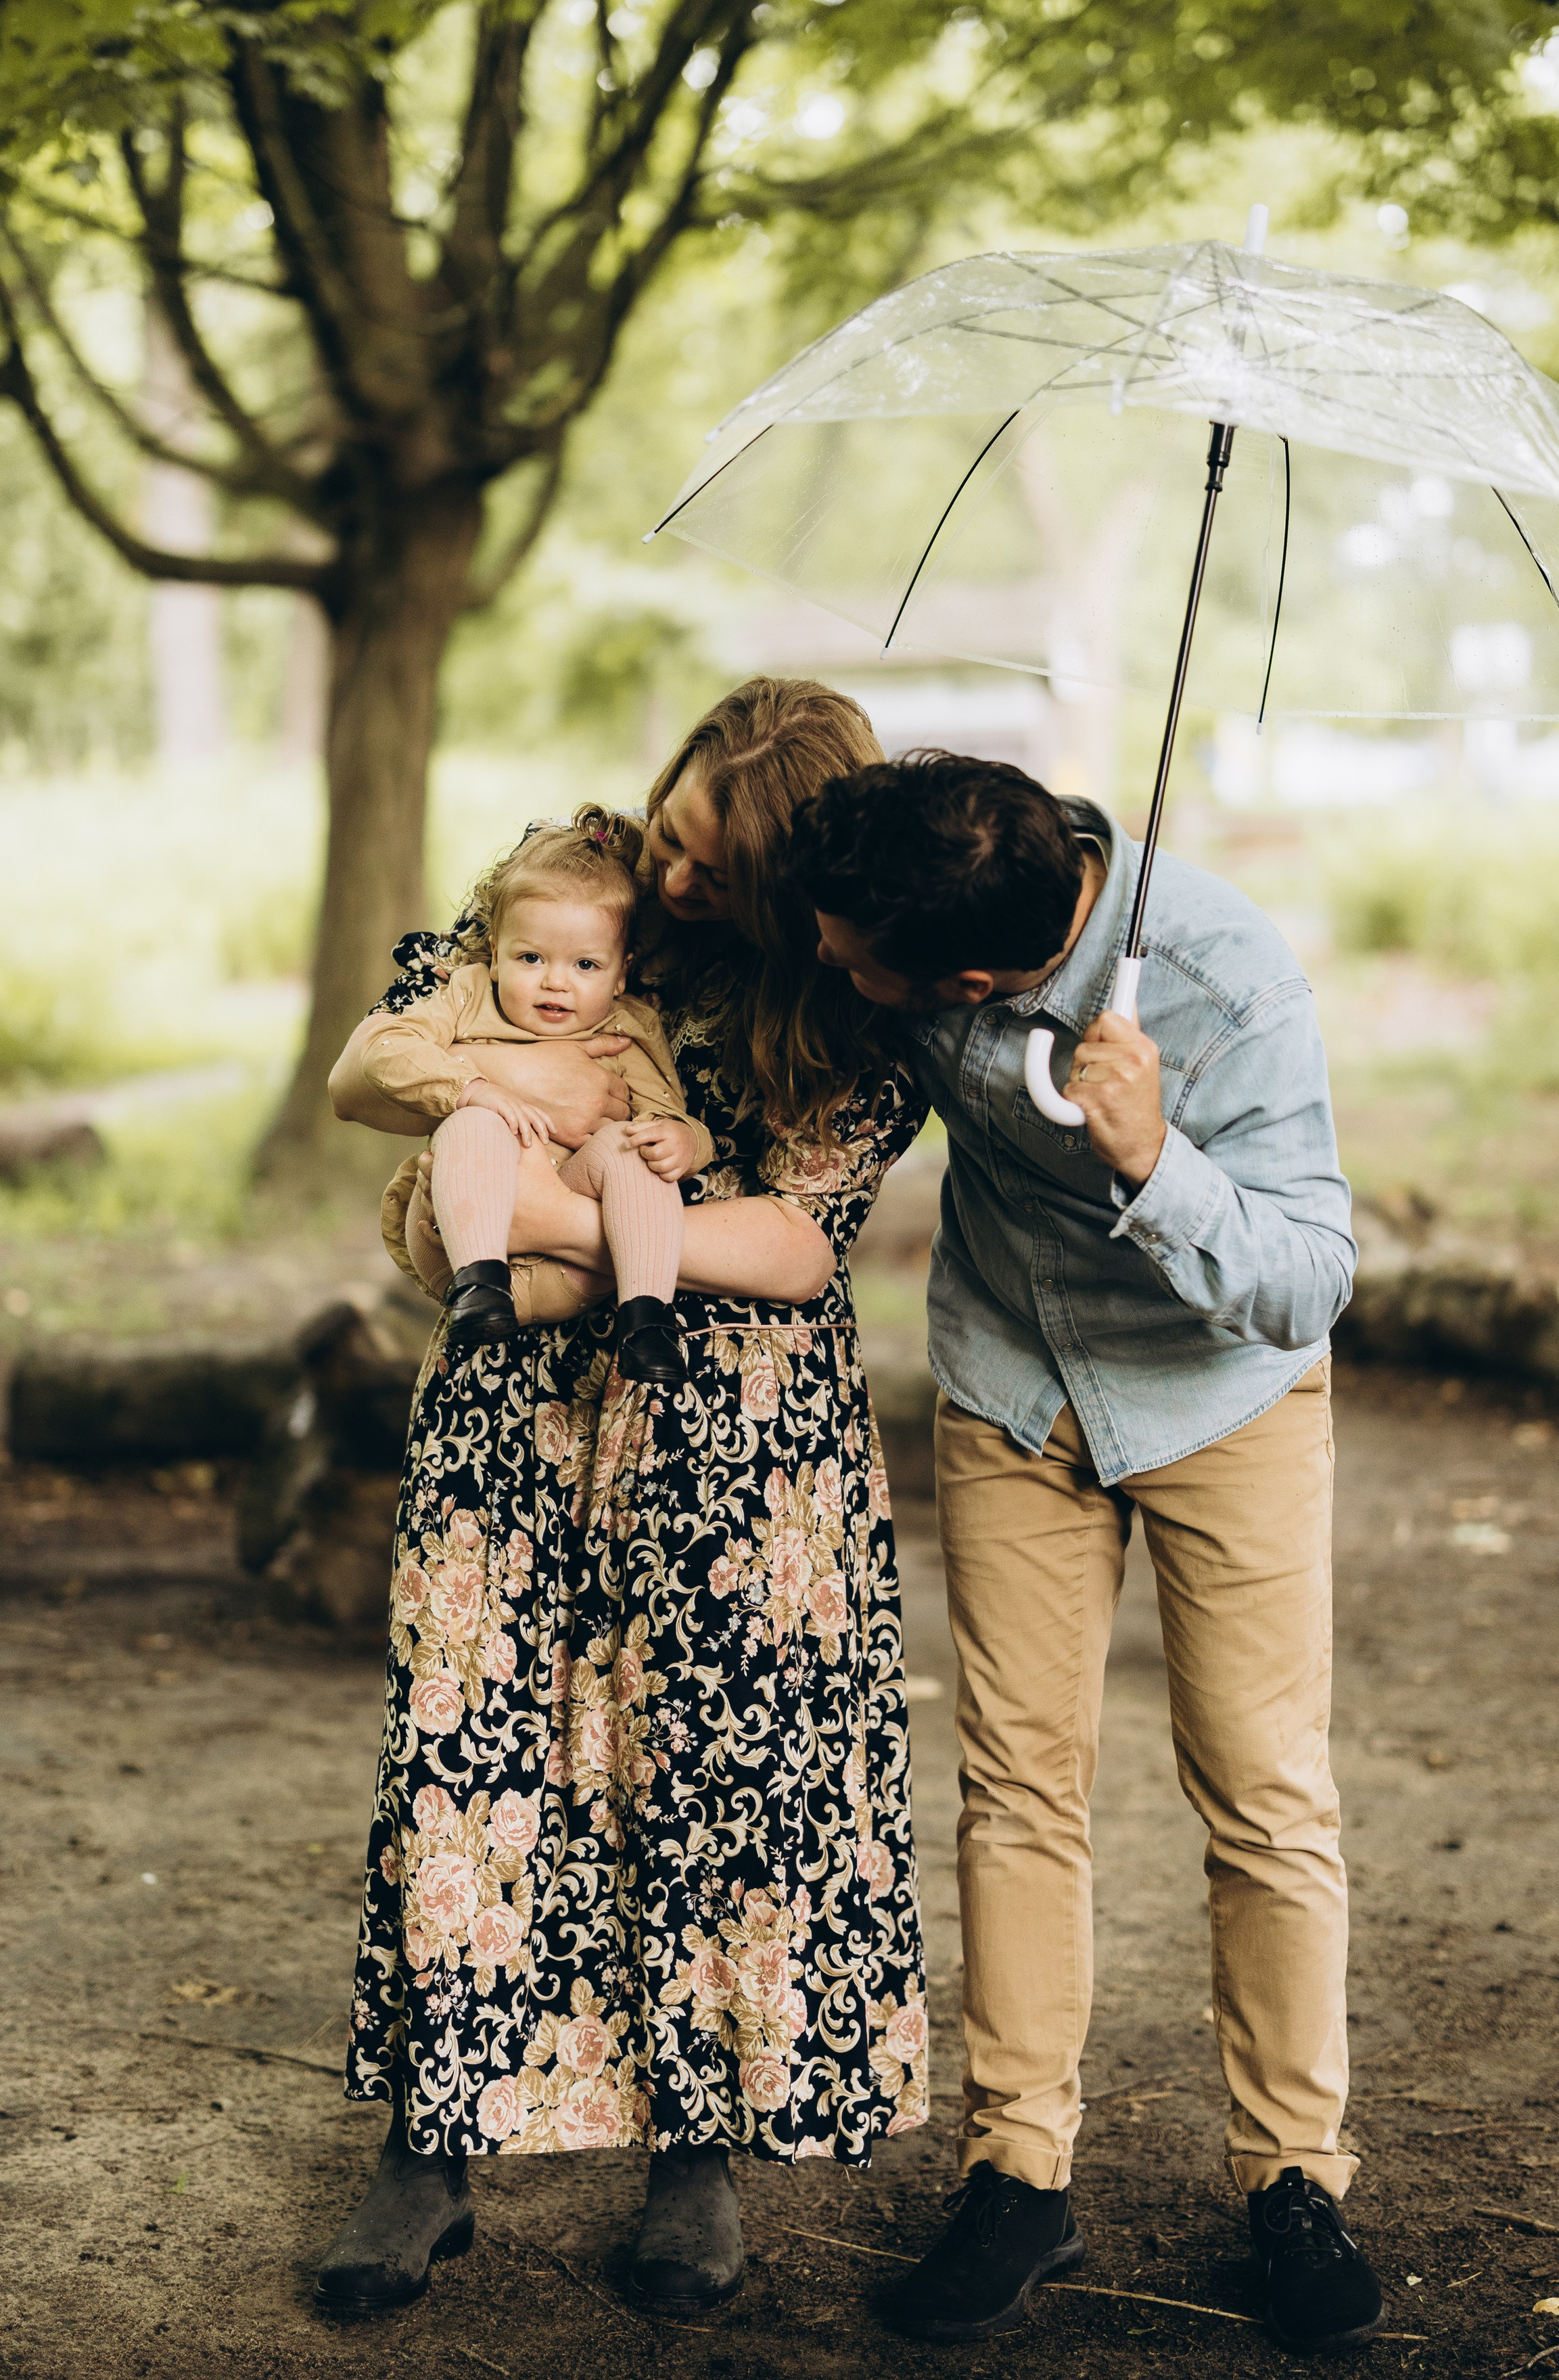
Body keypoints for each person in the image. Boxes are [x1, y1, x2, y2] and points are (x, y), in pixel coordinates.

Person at [312, 678, 930, 2323]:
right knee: (466, 1741)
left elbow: (802, 1244)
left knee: (701, 1776)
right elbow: (382, 1066)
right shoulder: (566, 908)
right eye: (667, 832)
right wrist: (523, 1169)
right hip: (508, 1402)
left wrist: (573, 1226)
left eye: (710, 866)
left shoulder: (852, 989)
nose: (669, 882)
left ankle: (694, 2149)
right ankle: (427, 2141)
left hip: (729, 1437)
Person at [791, 751, 1383, 2358]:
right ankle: (1017, 2164)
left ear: (971, 979)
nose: (836, 972)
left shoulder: (1225, 977)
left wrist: (1153, 1158)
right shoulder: (920, 882)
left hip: (1220, 1396)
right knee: (1015, 1776)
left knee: (1263, 1785)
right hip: (1009, 1378)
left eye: (859, 968)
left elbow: (1309, 1279)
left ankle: (1288, 2173)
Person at [341, 807, 714, 1386]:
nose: (555, 981)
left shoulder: (628, 1028)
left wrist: (683, 1139)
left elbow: (667, 1113)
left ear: (622, 974)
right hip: (458, 1242)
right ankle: (482, 1283)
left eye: (585, 964)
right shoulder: (467, 994)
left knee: (630, 1146)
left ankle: (647, 1318)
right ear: (495, 951)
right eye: (531, 958)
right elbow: (381, 1050)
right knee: (474, 1121)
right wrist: (475, 1086)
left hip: (580, 1272)